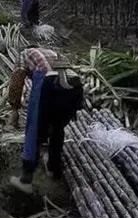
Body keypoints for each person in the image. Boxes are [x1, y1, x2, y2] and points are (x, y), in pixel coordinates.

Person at [9, 47, 83, 184]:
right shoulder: (53, 53)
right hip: (75, 85)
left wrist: (14, 109)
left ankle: (26, 179)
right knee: (57, 127)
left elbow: (16, 81)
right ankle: (53, 169)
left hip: (49, 81)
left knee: (34, 127)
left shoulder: (25, 54)